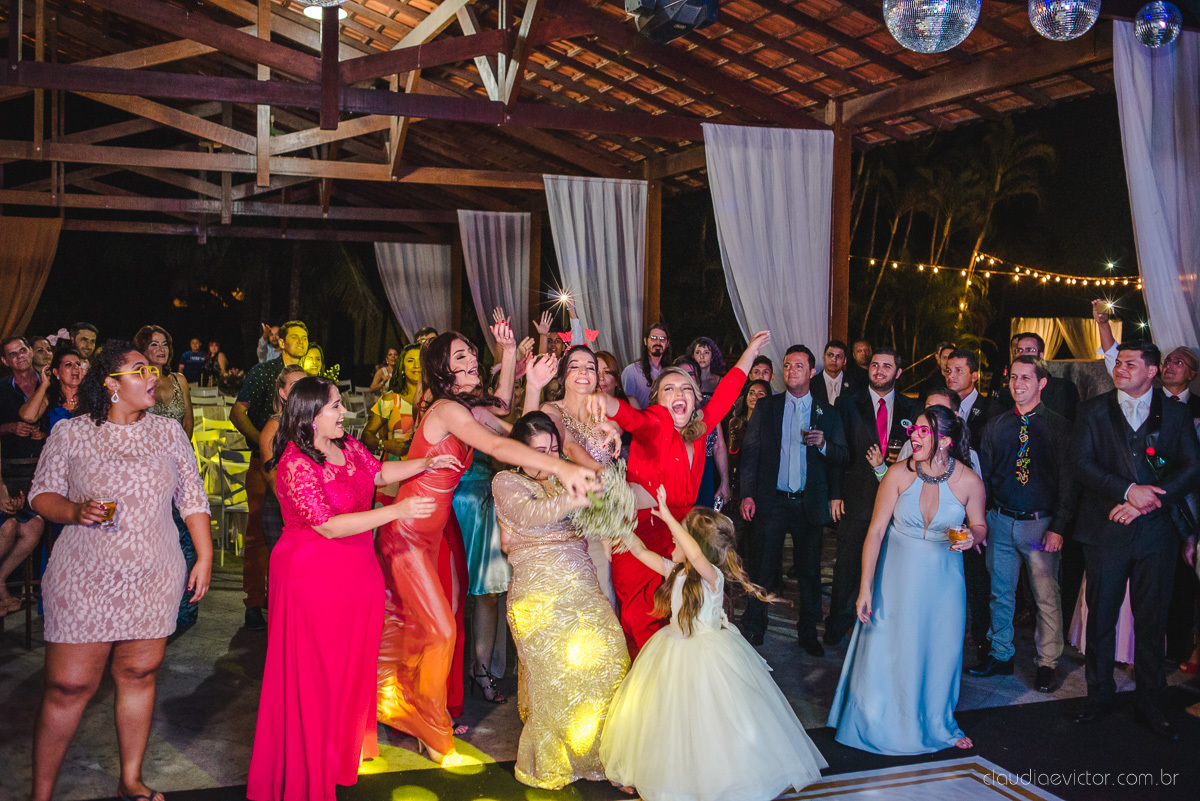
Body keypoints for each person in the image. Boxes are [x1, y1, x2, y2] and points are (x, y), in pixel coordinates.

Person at [375, 325, 599, 765]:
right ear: (443, 371)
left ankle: (412, 710)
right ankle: (422, 720)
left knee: (427, 630)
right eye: (460, 358)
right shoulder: (444, 411)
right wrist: (562, 468)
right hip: (406, 533)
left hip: (435, 534)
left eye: (471, 354)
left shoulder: (469, 412)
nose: (472, 361)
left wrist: (531, 385)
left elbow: (518, 437)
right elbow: (499, 446)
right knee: (438, 630)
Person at [246, 376, 452, 801]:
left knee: (350, 666)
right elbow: (327, 525)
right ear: (310, 416)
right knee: (316, 673)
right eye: (335, 407)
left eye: (341, 404)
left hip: (358, 571)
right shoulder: (294, 462)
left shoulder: (347, 446)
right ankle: (307, 770)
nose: (344, 413)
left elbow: (378, 472)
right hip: (312, 574)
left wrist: (424, 465)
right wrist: (399, 509)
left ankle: (338, 756)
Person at [28, 341, 211, 801]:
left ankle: (130, 778)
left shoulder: (169, 433)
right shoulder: (71, 433)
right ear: (111, 384)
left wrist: (204, 556)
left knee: (139, 674)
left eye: (152, 369)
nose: (152, 376)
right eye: (139, 369)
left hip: (153, 574)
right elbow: (40, 496)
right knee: (68, 686)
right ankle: (41, 794)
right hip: (85, 574)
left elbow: (192, 500)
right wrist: (73, 510)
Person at [601, 486, 827, 801]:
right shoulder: (676, 571)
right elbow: (640, 552)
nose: (672, 543)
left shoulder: (712, 578)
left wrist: (668, 516)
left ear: (698, 546)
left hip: (708, 656)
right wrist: (617, 525)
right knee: (671, 719)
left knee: (710, 720)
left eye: (678, 539)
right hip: (673, 651)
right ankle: (673, 776)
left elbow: (693, 553)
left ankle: (718, 778)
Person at [589, 331, 772, 655]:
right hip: (641, 532)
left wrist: (750, 352)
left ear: (696, 399)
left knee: (680, 618)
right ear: (658, 399)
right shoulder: (657, 421)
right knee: (639, 618)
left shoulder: (699, 428)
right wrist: (608, 404)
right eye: (670, 388)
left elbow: (728, 391)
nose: (680, 393)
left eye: (688, 388)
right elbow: (633, 418)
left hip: (681, 535)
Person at [828, 406, 987, 755]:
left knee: (938, 651)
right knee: (891, 648)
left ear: (944, 440)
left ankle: (936, 723)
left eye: (922, 432)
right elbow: (875, 531)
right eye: (913, 429)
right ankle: (876, 720)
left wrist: (971, 537)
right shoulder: (898, 474)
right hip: (895, 579)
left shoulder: (969, 481)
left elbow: (979, 525)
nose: (913, 436)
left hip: (943, 583)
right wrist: (866, 587)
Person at [492, 412, 629, 790]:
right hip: (538, 592)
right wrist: (576, 495)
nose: (551, 457)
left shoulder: (563, 475)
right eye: (541, 451)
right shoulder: (506, 481)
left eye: (554, 449)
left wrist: (607, 501)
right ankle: (556, 762)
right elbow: (530, 515)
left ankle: (611, 755)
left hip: (580, 580)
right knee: (554, 680)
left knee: (611, 654)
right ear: (519, 453)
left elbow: (597, 521)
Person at [1071, 342, 1200, 740]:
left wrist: (1147, 502)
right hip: (1105, 530)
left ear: (1151, 371)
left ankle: (1150, 699)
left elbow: (1191, 467)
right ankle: (1098, 694)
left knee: (1151, 620)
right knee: (1102, 617)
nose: (1120, 369)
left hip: (1155, 533)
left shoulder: (1176, 414)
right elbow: (1081, 463)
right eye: (1119, 363)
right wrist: (1128, 490)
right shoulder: (1093, 410)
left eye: (1130, 363)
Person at [971, 357, 1074, 693]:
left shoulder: (1059, 427)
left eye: (1026, 378)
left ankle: (1047, 663)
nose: (1017, 384)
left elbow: (1068, 483)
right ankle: (1001, 655)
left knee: (1046, 595)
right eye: (1013, 377)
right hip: (1000, 522)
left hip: (1038, 526)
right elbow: (984, 477)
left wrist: (1058, 525)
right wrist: (981, 519)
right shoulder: (996, 426)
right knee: (1000, 594)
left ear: (1041, 383)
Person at [738, 344, 848, 654]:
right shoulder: (767, 407)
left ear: (812, 372)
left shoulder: (827, 413)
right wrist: (747, 494)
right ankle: (755, 625)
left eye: (799, 366)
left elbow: (842, 456)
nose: (791, 371)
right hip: (772, 500)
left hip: (808, 502)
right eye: (787, 366)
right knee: (762, 566)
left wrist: (824, 443)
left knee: (809, 571)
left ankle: (808, 631)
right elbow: (751, 453)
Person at [825, 347, 919, 646]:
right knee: (847, 565)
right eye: (875, 365)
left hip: (898, 502)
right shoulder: (849, 403)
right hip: (856, 497)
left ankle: (878, 630)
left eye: (886, 366)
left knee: (888, 567)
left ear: (898, 372)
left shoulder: (910, 409)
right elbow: (838, 450)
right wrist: (836, 493)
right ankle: (837, 626)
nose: (879, 370)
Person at [231, 320, 309, 631]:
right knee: (258, 532)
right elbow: (237, 412)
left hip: (301, 466)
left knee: (294, 534)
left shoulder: (308, 378)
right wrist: (262, 441)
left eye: (305, 337)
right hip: (263, 461)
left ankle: (285, 601)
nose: (302, 342)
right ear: (281, 342)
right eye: (295, 337)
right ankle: (254, 601)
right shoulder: (263, 372)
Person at [943, 348, 994, 660]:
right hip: (941, 511)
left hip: (975, 508)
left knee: (977, 582)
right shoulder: (940, 409)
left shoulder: (992, 410)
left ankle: (982, 644)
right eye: (948, 370)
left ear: (974, 374)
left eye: (958, 370)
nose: (951, 376)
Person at [0, 338, 46, 542]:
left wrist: (44, 432)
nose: (20, 356)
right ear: (5, 361)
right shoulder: (2, 388)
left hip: (44, 466)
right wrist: (10, 427)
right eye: (13, 354)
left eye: (23, 350)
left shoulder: (50, 383)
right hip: (11, 469)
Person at [259, 366, 308, 553]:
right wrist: (296, 513)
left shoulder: (313, 423)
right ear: (283, 393)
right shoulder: (273, 428)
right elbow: (272, 477)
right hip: (282, 510)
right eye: (295, 385)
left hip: (309, 507)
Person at [672, 356, 731, 512]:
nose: (686, 378)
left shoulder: (708, 404)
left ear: (697, 379)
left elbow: (719, 445)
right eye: (681, 373)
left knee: (702, 523)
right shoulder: (668, 405)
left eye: (691, 374)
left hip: (706, 471)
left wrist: (725, 481)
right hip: (677, 471)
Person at [990, 332, 1080, 421]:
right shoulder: (1007, 393)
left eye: (1029, 350)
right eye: (1019, 350)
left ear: (1041, 355)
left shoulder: (1064, 389)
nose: (1023, 354)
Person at [362, 344, 421, 464]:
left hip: (427, 473)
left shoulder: (437, 400)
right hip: (394, 470)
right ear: (402, 367)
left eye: (421, 360)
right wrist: (385, 444)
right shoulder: (390, 399)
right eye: (410, 361)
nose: (416, 365)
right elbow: (366, 435)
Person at [136, 326, 194, 440]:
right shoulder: (137, 382)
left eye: (165, 344)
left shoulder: (179, 380)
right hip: (147, 449)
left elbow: (188, 421)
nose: (161, 349)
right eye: (154, 344)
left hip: (179, 450)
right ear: (142, 349)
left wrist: (182, 449)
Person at [19, 349, 85, 434]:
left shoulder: (91, 396)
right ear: (56, 372)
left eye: (78, 364)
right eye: (68, 364)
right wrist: (44, 385)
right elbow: (28, 417)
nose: (75, 367)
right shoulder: (50, 397)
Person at [621, 322, 672, 410]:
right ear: (645, 341)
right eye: (653, 338)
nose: (658, 342)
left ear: (667, 343)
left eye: (662, 339)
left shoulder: (669, 372)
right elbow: (626, 405)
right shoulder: (632, 371)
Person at [811, 340, 857, 407]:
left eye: (838, 356)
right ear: (823, 357)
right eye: (830, 355)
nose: (834, 359)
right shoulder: (811, 384)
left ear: (844, 361)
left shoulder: (854, 384)